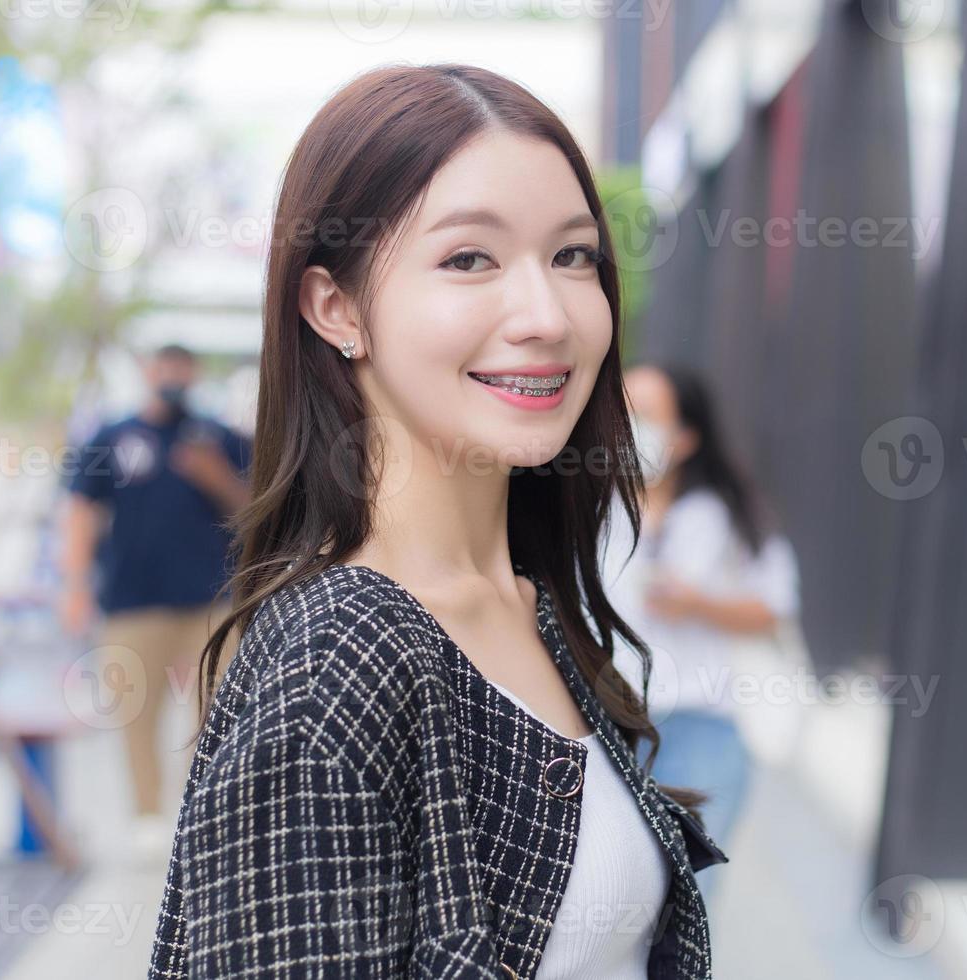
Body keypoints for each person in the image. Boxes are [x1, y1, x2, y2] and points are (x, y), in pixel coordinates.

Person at [147, 65, 726, 980]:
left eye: (574, 256)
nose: (546, 316)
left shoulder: (537, 607)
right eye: (469, 259)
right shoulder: (338, 659)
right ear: (335, 307)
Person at [600, 362, 803, 906]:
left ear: (685, 438)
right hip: (608, 731)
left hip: (699, 728)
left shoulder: (721, 515)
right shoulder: (597, 510)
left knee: (690, 904)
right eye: (621, 412)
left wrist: (699, 605)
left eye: (643, 416)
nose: (627, 427)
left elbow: (776, 605)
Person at [60, 342, 251, 863]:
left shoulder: (224, 440)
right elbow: (80, 511)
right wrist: (74, 587)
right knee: (135, 714)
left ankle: (212, 818)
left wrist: (217, 478)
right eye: (163, 367)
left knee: (218, 714)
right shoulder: (112, 437)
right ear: (148, 372)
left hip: (212, 603)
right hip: (132, 603)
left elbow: (259, 511)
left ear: (193, 374)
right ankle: (147, 817)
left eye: (182, 368)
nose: (172, 377)